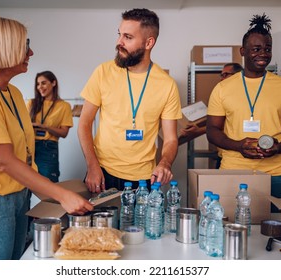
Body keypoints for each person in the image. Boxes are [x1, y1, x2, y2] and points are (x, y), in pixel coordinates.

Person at [0, 16, 93, 260]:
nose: (31, 52)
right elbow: (4, 161)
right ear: (4, 48)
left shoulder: (12, 93)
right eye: (24, 45)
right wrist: (61, 196)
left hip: (15, 196)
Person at [78, 8, 182, 193]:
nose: (119, 42)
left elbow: (170, 139)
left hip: (144, 180)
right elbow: (84, 124)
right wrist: (92, 166)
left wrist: (165, 163)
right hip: (103, 173)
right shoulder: (103, 72)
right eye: (119, 35)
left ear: (149, 42)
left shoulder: (167, 85)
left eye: (128, 37)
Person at [206, 13, 281, 200]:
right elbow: (212, 130)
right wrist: (238, 146)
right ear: (243, 51)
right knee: (232, 227)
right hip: (234, 171)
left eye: (267, 49)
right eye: (256, 49)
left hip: (279, 174)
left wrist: (279, 147)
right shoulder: (222, 88)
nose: (263, 54)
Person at [178, 63, 243, 144]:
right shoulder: (222, 94)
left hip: (238, 147)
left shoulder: (242, 96)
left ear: (237, 75)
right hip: (226, 148)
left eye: (225, 75)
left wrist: (199, 131)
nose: (222, 79)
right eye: (221, 75)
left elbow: (228, 123)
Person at [27, 71, 73, 182]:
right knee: (25, 188)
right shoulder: (31, 103)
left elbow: (64, 133)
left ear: (53, 83)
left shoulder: (64, 106)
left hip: (48, 149)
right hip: (29, 148)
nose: (40, 87)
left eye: (43, 83)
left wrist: (44, 127)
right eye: (38, 84)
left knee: (49, 187)